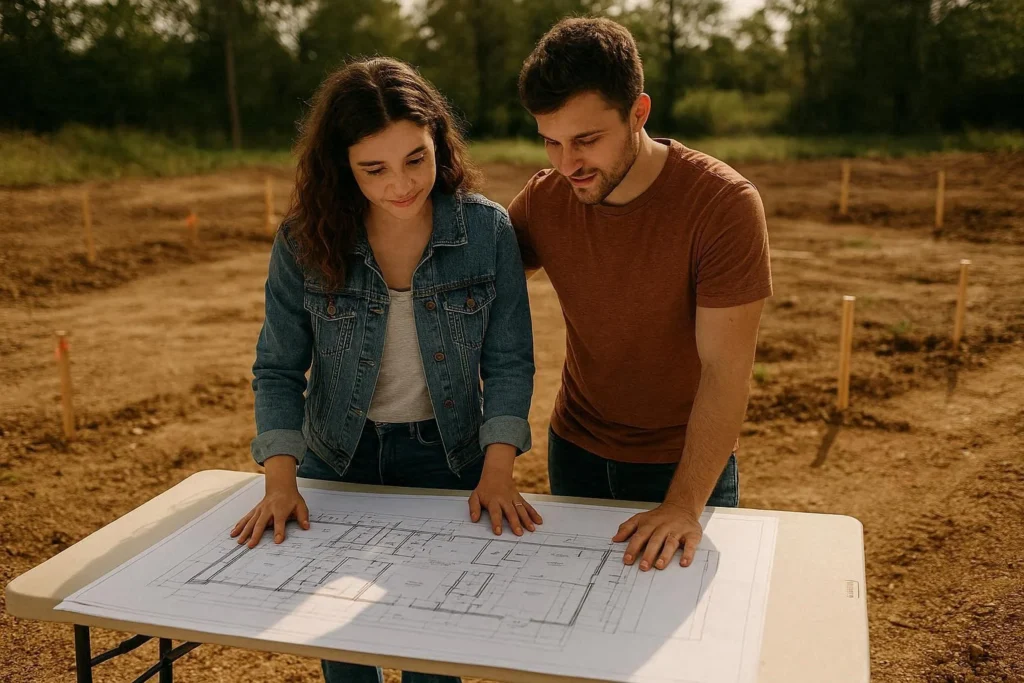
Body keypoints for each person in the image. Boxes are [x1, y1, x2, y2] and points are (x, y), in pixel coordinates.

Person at [231, 57, 540, 683]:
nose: (400, 184)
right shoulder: (304, 239)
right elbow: (278, 369)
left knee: (432, 647)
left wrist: (498, 469)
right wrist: (280, 483)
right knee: (344, 651)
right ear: (341, 165)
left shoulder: (487, 231)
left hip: (446, 457)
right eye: (374, 169)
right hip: (336, 459)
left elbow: (509, 359)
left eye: (416, 159)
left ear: (439, 143)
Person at [510, 18, 772, 573]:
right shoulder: (546, 199)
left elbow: (726, 372)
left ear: (639, 113)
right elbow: (465, 279)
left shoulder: (723, 206)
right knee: (582, 630)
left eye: (586, 140)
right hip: (575, 448)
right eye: (551, 142)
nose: (567, 163)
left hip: (683, 464)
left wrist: (682, 505)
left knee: (687, 648)